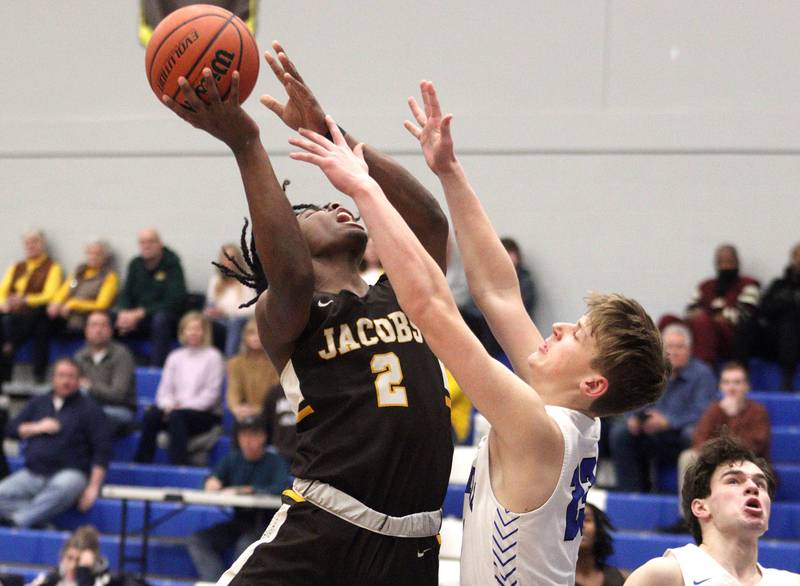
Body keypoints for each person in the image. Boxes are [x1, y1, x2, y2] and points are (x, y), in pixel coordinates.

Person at [286, 82, 669, 585]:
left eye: (577, 334)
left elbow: (429, 307)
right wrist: (450, 171)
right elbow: (499, 294)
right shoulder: (574, 418)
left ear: (593, 383)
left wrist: (364, 189)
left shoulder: (538, 430)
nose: (556, 327)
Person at [163, 42, 453, 585]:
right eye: (318, 209)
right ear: (289, 238)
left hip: (413, 546)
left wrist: (330, 137)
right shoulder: (283, 311)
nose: (337, 204)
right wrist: (247, 143)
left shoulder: (405, 294)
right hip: (324, 530)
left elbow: (431, 224)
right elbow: (290, 273)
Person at [625, 435, 800, 584]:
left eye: (760, 484)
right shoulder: (665, 574)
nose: (753, 487)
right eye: (733, 481)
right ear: (701, 507)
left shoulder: (790, 582)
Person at [662, 361, 771, 533]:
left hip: (749, 466)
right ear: (720, 386)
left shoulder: (758, 411)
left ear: (746, 386)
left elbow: (753, 446)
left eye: (737, 382)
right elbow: (698, 439)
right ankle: (687, 518)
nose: (731, 388)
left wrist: (732, 418)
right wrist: (718, 455)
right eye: (727, 382)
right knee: (688, 456)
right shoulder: (715, 409)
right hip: (718, 463)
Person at [0, 358, 110, 528]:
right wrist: (37, 427)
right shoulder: (39, 402)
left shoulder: (91, 409)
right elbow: (11, 429)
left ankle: (18, 521)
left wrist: (93, 488)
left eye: (71, 376)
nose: (66, 381)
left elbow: (101, 452)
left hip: (71, 474)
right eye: (61, 376)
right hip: (33, 473)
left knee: (65, 486)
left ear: (80, 380)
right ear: (53, 378)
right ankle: (38, 521)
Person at [610, 323, 717, 492]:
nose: (674, 352)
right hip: (649, 432)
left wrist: (668, 422)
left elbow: (703, 413)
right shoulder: (650, 369)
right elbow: (635, 400)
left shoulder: (703, 374)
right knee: (621, 432)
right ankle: (631, 495)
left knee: (691, 434)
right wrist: (634, 419)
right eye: (670, 347)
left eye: (680, 347)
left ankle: (688, 495)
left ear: (689, 350)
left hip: (678, 435)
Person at [186, 415, 290, 582]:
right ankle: (218, 582)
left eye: (253, 435)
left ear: (263, 437)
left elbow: (282, 488)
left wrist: (249, 490)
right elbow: (211, 479)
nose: (248, 441)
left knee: (246, 544)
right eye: (244, 435)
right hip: (238, 522)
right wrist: (209, 482)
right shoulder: (232, 459)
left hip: (266, 524)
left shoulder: (275, 461)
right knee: (198, 540)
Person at [134, 311, 224, 465]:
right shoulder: (175, 356)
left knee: (177, 417)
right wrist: (168, 406)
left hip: (203, 414)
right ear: (183, 331)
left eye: (197, 329)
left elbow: (211, 394)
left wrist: (180, 408)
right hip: (174, 410)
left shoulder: (213, 357)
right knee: (152, 415)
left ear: (204, 332)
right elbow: (164, 391)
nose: (193, 333)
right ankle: (141, 463)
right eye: (189, 329)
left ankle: (179, 465)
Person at [677, 244, 760, 366]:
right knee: (668, 320)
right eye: (721, 262)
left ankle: (705, 370)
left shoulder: (749, 285)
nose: (725, 266)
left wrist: (710, 316)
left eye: (729, 262)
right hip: (698, 332)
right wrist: (715, 316)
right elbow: (689, 311)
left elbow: (745, 314)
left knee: (703, 322)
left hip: (730, 339)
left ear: (737, 263)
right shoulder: (705, 286)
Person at [115, 228, 187, 367]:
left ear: (160, 243)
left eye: (150, 242)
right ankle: (118, 364)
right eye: (142, 242)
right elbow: (126, 293)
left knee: (160, 320)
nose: (146, 245)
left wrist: (141, 313)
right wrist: (124, 312)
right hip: (136, 318)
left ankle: (156, 367)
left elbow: (175, 301)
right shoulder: (135, 264)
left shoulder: (172, 265)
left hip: (165, 318)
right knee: (108, 318)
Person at [0, 229, 63, 384]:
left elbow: (50, 294)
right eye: (28, 243)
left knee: (40, 321)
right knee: (6, 322)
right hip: (13, 313)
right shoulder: (16, 266)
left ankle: (10, 346)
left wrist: (25, 300)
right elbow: (3, 289)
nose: (31, 246)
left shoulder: (52, 267)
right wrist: (4, 303)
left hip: (34, 312)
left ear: (43, 244)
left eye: (35, 242)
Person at [74, 311, 136, 437]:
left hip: (119, 409)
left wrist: (90, 387)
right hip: (89, 409)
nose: (98, 329)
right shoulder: (79, 357)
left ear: (111, 330)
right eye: (94, 325)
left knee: (91, 418)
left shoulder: (122, 355)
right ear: (86, 330)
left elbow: (118, 395)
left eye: (103, 325)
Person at [753, 242, 800, 390]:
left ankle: (787, 379)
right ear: (792, 258)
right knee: (750, 326)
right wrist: (785, 301)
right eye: (798, 256)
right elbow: (763, 310)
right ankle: (741, 374)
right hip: (778, 340)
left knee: (790, 323)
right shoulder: (778, 285)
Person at [47, 240, 118, 335]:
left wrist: (73, 305)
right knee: (43, 315)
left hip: (85, 314)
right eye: (90, 253)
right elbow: (66, 289)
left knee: (74, 323)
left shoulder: (109, 277)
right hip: (65, 311)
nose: (93, 257)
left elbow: (102, 305)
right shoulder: (79, 272)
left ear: (105, 257)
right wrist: (56, 302)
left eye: (97, 254)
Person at [205, 243, 255, 357]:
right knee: (202, 319)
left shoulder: (248, 280)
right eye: (225, 257)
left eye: (232, 257)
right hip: (220, 320)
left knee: (234, 322)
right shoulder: (216, 280)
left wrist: (226, 312)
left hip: (242, 321)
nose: (228, 261)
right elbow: (210, 303)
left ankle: (229, 359)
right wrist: (211, 311)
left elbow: (252, 308)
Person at [226, 317, 278, 423]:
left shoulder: (276, 363)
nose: (256, 338)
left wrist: (259, 410)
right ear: (245, 337)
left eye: (260, 333)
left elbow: (276, 392)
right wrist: (237, 408)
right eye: (251, 333)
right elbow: (233, 390)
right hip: (245, 413)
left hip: (271, 413)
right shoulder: (235, 363)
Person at [29, 525, 117, 586]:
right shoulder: (53, 579)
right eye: (69, 558)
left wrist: (83, 572)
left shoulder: (104, 580)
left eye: (79, 560)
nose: (72, 566)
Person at [575, 503, 627, 586]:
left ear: (598, 529)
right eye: (574, 520)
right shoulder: (554, 578)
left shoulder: (615, 577)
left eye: (587, 519)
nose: (581, 526)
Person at [262, 384, 296, 465]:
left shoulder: (312, 392)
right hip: (279, 452)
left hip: (306, 454)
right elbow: (266, 424)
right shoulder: (274, 392)